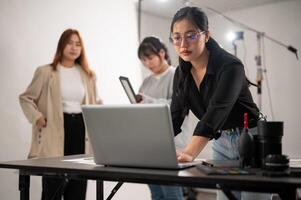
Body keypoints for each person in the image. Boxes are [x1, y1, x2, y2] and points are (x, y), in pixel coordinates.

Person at [169, 7, 270, 200]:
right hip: (221, 142)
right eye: (176, 37)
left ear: (206, 35)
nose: (183, 44)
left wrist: (190, 152)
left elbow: (216, 112)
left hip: (252, 140)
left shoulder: (230, 66)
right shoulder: (181, 74)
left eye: (191, 36)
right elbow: (174, 116)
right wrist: (155, 148)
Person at [19, 28, 101, 200]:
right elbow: (26, 98)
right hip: (56, 129)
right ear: (61, 45)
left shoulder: (88, 75)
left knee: (77, 185)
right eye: (69, 43)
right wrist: (37, 117)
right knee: (53, 186)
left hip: (80, 129)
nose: (74, 47)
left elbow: (96, 103)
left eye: (78, 44)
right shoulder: (46, 72)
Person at [138, 36, 184, 200]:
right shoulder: (146, 82)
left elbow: (176, 106)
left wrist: (149, 102)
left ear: (162, 52)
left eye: (150, 58)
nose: (147, 63)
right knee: (156, 194)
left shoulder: (176, 75)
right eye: (144, 60)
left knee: (171, 192)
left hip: (171, 142)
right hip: (149, 143)